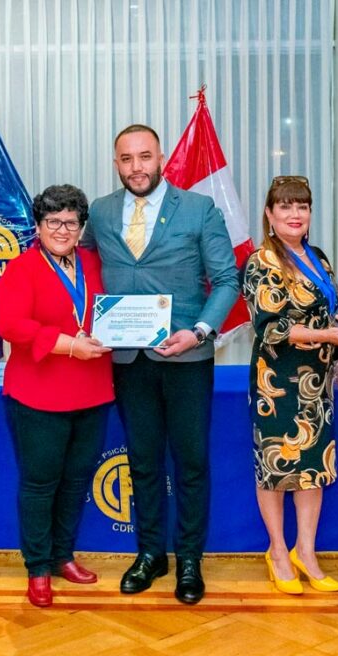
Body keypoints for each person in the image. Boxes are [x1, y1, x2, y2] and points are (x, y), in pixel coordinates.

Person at [81, 124, 239, 605]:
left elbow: (227, 279)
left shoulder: (198, 208)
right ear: (116, 163)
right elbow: (83, 274)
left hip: (187, 355)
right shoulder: (101, 212)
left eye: (144, 157)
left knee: (190, 463)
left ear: (161, 158)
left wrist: (201, 331)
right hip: (128, 359)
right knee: (144, 462)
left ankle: (190, 559)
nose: (136, 167)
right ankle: (151, 554)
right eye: (126, 159)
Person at [244, 176, 338, 597]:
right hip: (276, 383)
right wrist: (330, 338)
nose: (295, 215)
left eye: (302, 207)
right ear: (269, 214)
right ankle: (278, 550)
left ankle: (305, 552)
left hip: (318, 384)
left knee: (314, 470)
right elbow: (271, 327)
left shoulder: (319, 258)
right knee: (276, 469)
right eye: (285, 207)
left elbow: (327, 317)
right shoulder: (261, 261)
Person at [0, 184, 113, 608]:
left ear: (82, 226)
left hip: (92, 390)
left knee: (76, 480)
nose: (63, 229)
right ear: (38, 225)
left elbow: (115, 311)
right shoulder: (21, 268)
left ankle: (63, 555)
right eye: (53, 222)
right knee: (40, 483)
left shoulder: (94, 263)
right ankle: (38, 566)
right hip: (37, 392)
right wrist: (68, 344)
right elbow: (11, 325)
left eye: (71, 222)